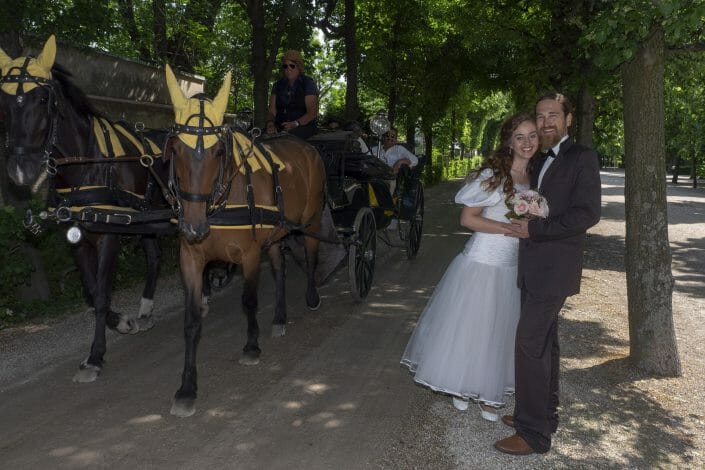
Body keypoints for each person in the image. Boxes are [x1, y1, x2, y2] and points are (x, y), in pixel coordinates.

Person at [400, 112, 539, 421]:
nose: (527, 142)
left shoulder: (536, 177)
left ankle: (490, 393)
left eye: (532, 136)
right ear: (509, 141)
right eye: (520, 136)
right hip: (481, 263)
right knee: (473, 327)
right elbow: (468, 219)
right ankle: (460, 386)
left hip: (512, 266)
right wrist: (509, 228)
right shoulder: (494, 175)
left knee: (500, 331)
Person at [495, 93, 601, 455]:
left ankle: (533, 434)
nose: (545, 123)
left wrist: (534, 231)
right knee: (546, 347)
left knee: (528, 344)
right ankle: (543, 415)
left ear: (569, 119)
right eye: (540, 117)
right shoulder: (539, 159)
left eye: (553, 115)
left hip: (555, 269)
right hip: (533, 268)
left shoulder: (581, 157)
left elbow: (587, 214)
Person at [265, 50, 319, 139]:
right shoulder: (277, 85)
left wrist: (296, 123)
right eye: (285, 66)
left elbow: (312, 113)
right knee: (258, 138)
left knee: (287, 139)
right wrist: (270, 124)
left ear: (299, 67)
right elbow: (272, 111)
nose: (288, 69)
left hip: (304, 127)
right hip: (281, 127)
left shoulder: (308, 83)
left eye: (292, 66)